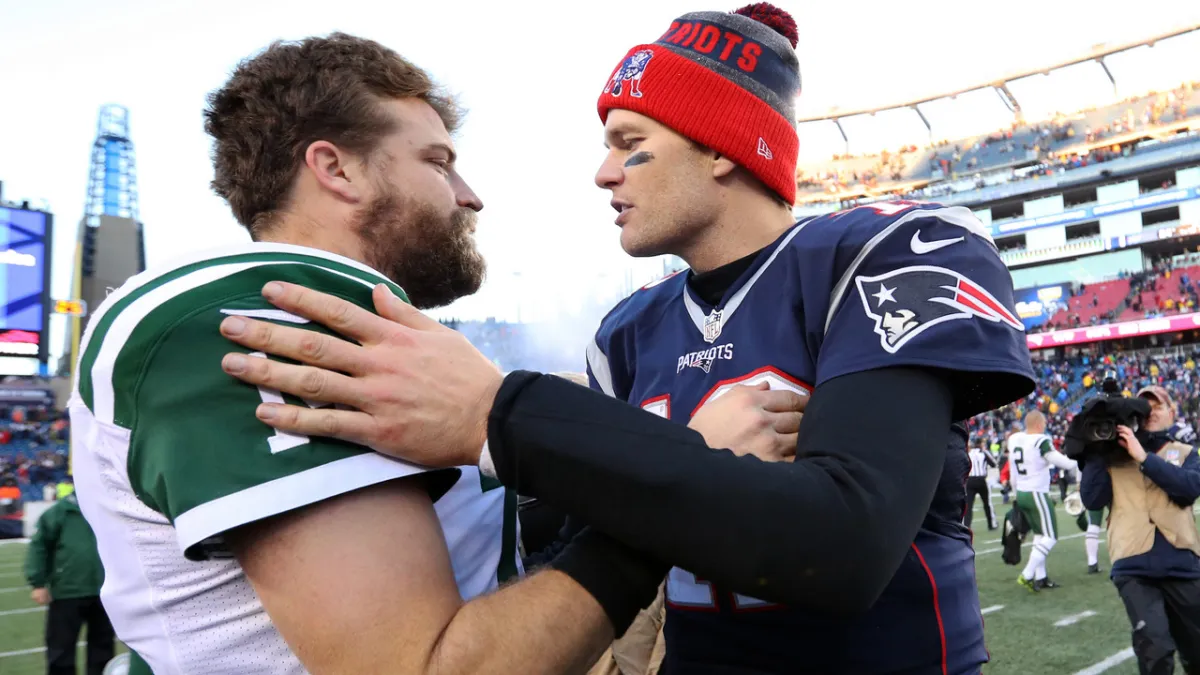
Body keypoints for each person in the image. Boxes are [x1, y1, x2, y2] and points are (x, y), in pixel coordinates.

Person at [216, 4, 1036, 672]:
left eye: (631, 145)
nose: (604, 174)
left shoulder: (889, 249)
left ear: (721, 148)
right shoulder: (627, 331)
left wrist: (499, 414)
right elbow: (577, 545)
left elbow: (845, 544)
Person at [67, 33, 798, 675]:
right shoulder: (247, 311)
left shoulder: (371, 324)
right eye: (438, 161)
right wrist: (675, 490)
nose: (469, 195)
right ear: (337, 169)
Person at [1080, 386, 1200, 674]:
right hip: (1133, 563)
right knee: (1155, 651)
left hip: (1183, 561)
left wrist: (1144, 457)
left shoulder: (1186, 452)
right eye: (1144, 407)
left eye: (1158, 406)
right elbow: (1092, 499)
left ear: (1172, 413)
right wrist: (1097, 450)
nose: (1151, 413)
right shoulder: (1113, 455)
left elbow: (1188, 489)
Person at [24, 491, 114, 675]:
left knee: (103, 649)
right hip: (67, 591)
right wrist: (38, 583)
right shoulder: (59, 513)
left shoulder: (107, 508)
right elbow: (39, 547)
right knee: (61, 650)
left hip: (106, 591)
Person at [1007, 411, 1078, 592]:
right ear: (1039, 423)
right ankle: (1027, 574)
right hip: (1036, 493)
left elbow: (1013, 472)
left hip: (1022, 491)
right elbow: (1063, 462)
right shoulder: (1040, 440)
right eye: (1044, 422)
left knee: (1039, 535)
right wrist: (1077, 461)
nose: (1046, 425)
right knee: (1051, 536)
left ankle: (1041, 578)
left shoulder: (1015, 439)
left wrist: (1015, 493)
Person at [966, 444, 998, 530]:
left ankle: (966, 526)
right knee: (987, 503)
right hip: (981, 480)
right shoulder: (983, 453)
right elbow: (994, 464)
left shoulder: (967, 453)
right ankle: (991, 524)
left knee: (968, 505)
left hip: (969, 481)